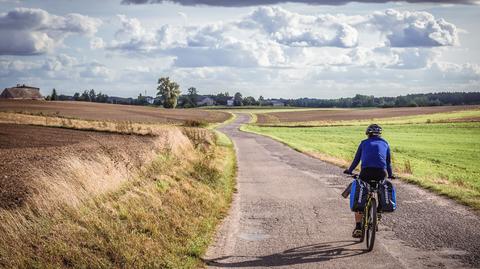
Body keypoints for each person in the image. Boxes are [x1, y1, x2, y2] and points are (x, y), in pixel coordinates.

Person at [343, 124, 394, 238]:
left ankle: (358, 228)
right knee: (380, 187)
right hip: (381, 173)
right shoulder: (385, 143)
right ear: (379, 134)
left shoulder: (364, 143)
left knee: (360, 193)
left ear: (368, 134)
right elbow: (388, 162)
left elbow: (357, 159)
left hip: (366, 173)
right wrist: (390, 174)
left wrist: (350, 170)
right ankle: (379, 211)